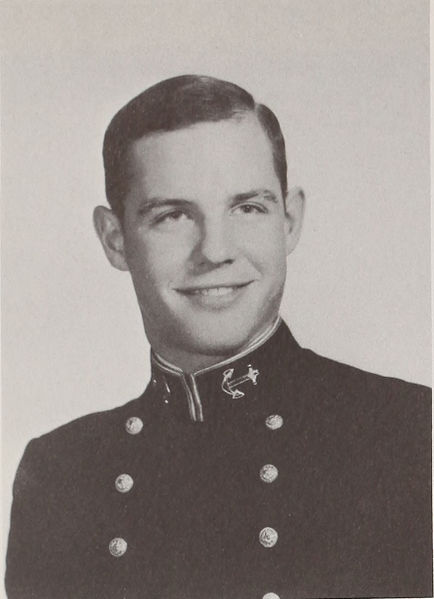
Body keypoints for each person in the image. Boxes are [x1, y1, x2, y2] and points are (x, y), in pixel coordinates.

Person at [5, 75, 432, 599]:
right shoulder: (60, 476)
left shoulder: (410, 435)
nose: (215, 251)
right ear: (115, 240)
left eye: (247, 208)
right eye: (174, 215)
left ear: (289, 221)